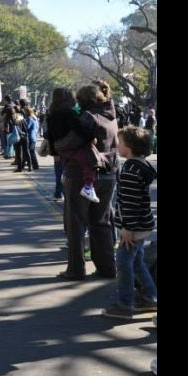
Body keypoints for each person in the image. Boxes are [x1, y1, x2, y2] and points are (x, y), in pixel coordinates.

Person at [57, 81, 118, 281]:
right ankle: (107, 267)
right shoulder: (111, 116)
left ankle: (76, 269)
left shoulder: (87, 118)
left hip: (83, 175)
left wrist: (57, 144)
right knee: (101, 222)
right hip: (108, 174)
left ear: (83, 101)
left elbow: (70, 142)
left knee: (76, 223)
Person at [102, 126, 157, 319]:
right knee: (137, 262)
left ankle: (124, 305)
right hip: (142, 224)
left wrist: (127, 229)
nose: (117, 145)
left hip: (132, 227)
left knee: (124, 263)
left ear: (131, 147)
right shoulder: (142, 165)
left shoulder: (130, 170)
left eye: (121, 142)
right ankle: (150, 297)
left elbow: (130, 202)